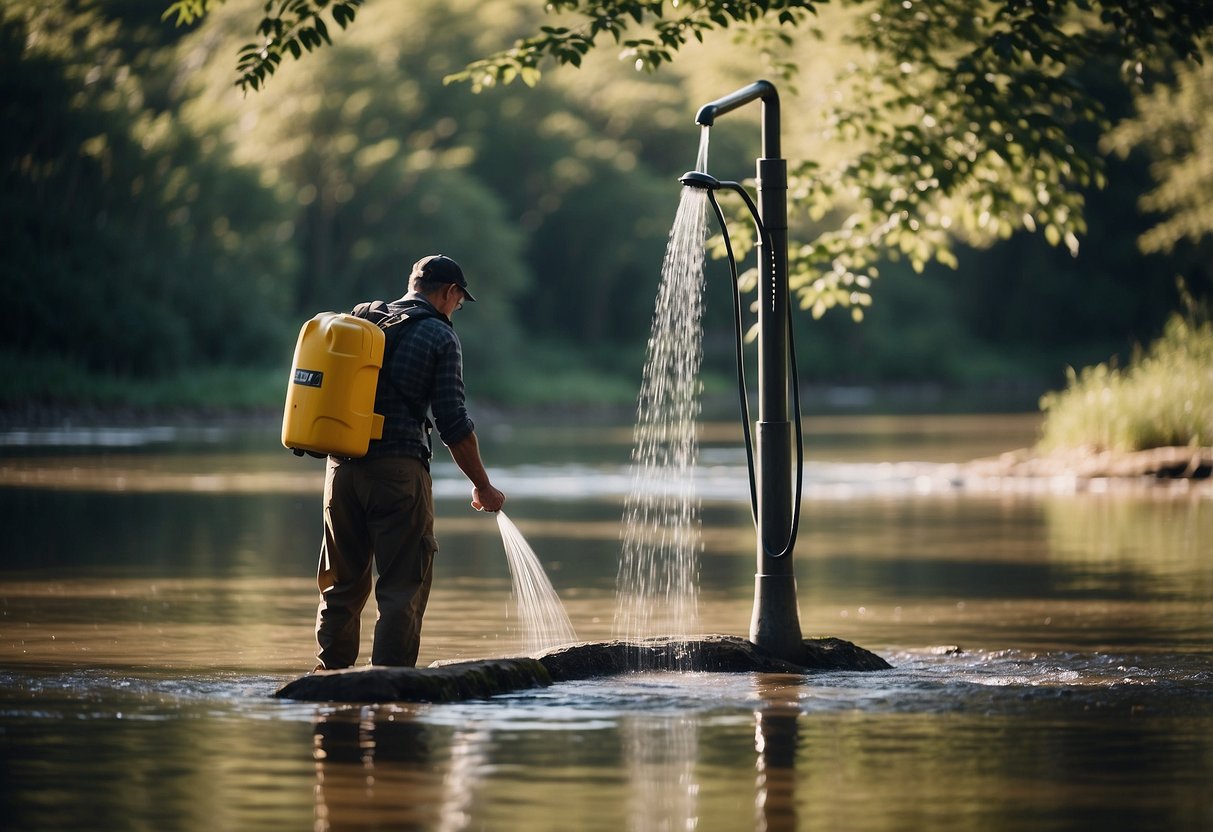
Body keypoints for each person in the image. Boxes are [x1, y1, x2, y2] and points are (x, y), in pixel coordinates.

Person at [314, 254, 506, 670]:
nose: (457, 308)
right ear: (449, 292)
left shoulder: (363, 320)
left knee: (341, 586)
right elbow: (453, 423)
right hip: (398, 473)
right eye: (459, 300)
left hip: (341, 471)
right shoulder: (440, 337)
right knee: (402, 588)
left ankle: (328, 683)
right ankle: (389, 691)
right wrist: (483, 486)